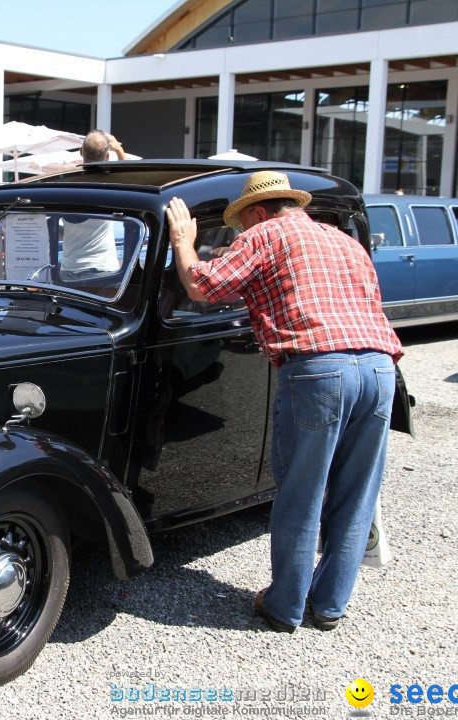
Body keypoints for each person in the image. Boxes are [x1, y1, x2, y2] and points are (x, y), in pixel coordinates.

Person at [165, 170, 403, 633]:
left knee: (302, 491)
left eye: (242, 224)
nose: (242, 233)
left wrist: (182, 241)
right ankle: (330, 605)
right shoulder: (342, 241)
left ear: (258, 211)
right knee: (356, 495)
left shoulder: (267, 234)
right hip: (378, 368)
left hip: (318, 369)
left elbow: (201, 287)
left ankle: (286, 606)